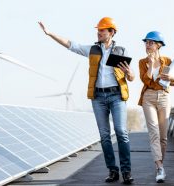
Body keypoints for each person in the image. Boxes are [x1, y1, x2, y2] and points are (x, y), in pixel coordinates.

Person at [39, 17, 135, 184]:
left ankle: (126, 171)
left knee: (121, 132)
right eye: (98, 30)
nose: (98, 33)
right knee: (104, 135)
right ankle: (113, 171)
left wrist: (129, 73)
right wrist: (49, 34)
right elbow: (71, 44)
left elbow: (132, 77)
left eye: (102, 30)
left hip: (117, 96)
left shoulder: (121, 50)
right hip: (98, 97)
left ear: (111, 32)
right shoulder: (92, 50)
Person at [138, 31, 174, 183]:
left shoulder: (167, 60)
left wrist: (172, 77)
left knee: (163, 137)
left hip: (164, 97)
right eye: (146, 42)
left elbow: (172, 82)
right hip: (148, 97)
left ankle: (160, 165)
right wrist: (151, 65)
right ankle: (159, 167)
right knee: (153, 131)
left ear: (159, 45)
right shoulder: (142, 62)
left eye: (151, 42)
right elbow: (146, 81)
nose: (147, 45)